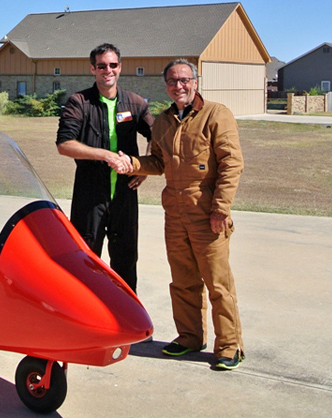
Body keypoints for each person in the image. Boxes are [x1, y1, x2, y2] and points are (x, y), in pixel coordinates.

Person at [120, 58, 245, 370]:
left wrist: (220, 209)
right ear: (166, 86)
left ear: (195, 82)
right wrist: (133, 164)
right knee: (182, 281)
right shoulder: (163, 122)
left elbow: (231, 164)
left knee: (218, 283)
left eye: (185, 80)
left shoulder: (216, 115)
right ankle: (189, 337)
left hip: (207, 215)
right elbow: (159, 163)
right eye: (173, 81)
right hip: (175, 215)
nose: (179, 86)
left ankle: (230, 346)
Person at [56, 43, 153, 291]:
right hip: (90, 196)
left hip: (125, 195)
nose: (107, 70)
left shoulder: (135, 103)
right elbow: (65, 144)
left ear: (120, 67)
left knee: (126, 262)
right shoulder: (79, 102)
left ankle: (127, 321)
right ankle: (84, 320)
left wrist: (143, 167)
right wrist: (106, 155)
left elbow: (159, 137)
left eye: (112, 65)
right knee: (85, 262)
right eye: (101, 66)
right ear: (92, 69)